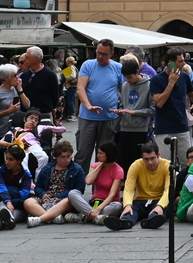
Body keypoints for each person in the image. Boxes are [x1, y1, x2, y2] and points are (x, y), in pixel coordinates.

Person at [75, 39, 123, 175]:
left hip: (109, 118)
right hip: (88, 117)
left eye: (104, 54)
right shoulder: (88, 65)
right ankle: (78, 187)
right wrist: (88, 106)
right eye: (98, 53)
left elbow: (123, 90)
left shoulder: (118, 68)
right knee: (83, 153)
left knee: (105, 156)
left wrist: (122, 109)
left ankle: (100, 190)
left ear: (112, 53)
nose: (100, 56)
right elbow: (80, 88)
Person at [105, 141, 170, 230]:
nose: (150, 162)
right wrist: (127, 205)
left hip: (158, 200)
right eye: (146, 159)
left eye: (152, 158)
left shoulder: (167, 166)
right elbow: (129, 189)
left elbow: (168, 190)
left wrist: (160, 206)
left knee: (161, 210)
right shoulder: (136, 165)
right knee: (131, 210)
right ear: (142, 157)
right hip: (140, 200)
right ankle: (124, 222)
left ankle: (152, 220)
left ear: (159, 155)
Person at [25, 140, 86, 227]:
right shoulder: (47, 168)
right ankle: (52, 217)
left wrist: (60, 196)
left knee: (68, 200)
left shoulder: (77, 169)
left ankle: (42, 218)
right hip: (48, 199)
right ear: (56, 157)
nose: (66, 160)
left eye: (68, 157)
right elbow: (38, 187)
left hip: (64, 199)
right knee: (28, 202)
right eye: (63, 157)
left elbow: (79, 189)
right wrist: (42, 193)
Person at [151, 47, 193, 160]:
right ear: (170, 63)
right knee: (165, 164)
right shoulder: (157, 80)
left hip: (182, 126)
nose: (184, 64)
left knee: (187, 162)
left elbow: (192, 93)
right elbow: (159, 103)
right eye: (180, 61)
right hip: (164, 128)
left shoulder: (184, 76)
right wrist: (171, 83)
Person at [111, 57, 154, 172]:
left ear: (137, 72)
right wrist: (119, 111)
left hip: (140, 129)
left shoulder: (149, 85)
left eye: (130, 77)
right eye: (126, 77)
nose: (128, 80)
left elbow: (152, 110)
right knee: (124, 159)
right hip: (124, 127)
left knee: (138, 160)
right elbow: (122, 104)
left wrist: (134, 112)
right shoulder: (125, 86)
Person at [67, 142, 124, 224]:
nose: (97, 155)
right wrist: (100, 166)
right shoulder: (96, 166)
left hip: (109, 204)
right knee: (72, 193)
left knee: (118, 206)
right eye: (98, 153)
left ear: (108, 154)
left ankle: (84, 217)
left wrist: (98, 209)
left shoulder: (118, 170)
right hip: (94, 202)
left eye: (101, 153)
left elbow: (112, 195)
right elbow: (88, 181)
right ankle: (97, 217)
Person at [18, 47, 61, 122]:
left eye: (27, 57)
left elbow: (55, 95)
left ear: (35, 59)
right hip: (27, 114)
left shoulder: (50, 75)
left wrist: (53, 108)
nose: (25, 59)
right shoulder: (24, 75)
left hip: (44, 113)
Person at [61, 56, 78, 120]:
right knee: (71, 100)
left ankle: (72, 115)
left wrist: (65, 78)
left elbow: (73, 76)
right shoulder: (73, 67)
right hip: (72, 86)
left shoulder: (71, 67)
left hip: (71, 86)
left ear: (68, 62)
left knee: (69, 101)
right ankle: (72, 114)